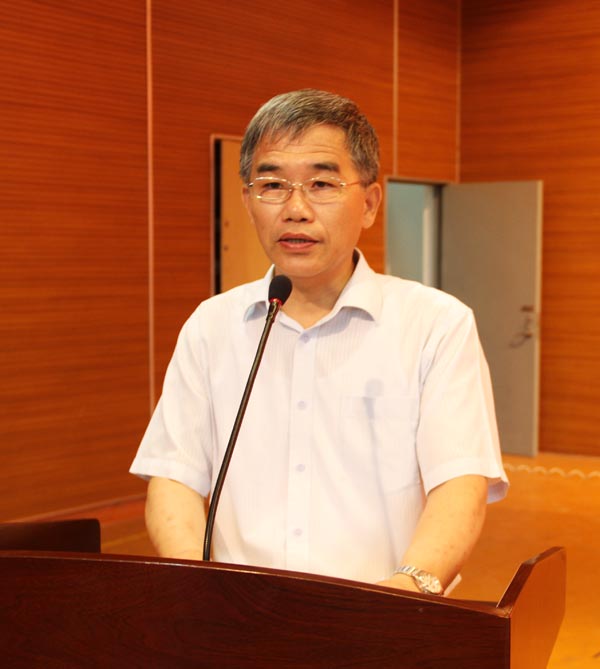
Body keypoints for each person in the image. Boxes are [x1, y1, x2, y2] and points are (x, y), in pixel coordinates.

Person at [130, 89, 508, 595]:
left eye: (322, 184)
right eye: (272, 185)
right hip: (237, 613)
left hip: (381, 613)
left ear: (369, 203)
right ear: (247, 202)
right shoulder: (211, 326)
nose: (295, 209)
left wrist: (405, 590)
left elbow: (460, 484)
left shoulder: (436, 325)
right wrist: (199, 587)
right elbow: (173, 477)